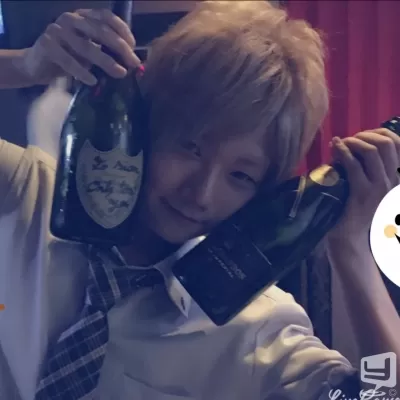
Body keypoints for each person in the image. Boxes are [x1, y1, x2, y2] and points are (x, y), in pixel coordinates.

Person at [0, 2, 399, 400]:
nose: (201, 194)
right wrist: (23, 66)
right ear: (143, 120)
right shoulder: (27, 194)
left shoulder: (260, 328)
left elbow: (384, 395)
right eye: (190, 147)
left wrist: (353, 251)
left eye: (240, 176)